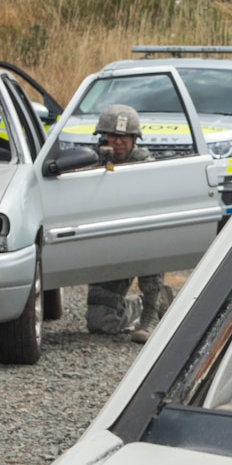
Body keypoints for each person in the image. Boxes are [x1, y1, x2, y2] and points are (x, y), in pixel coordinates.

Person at [78, 104, 172, 344]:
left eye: (124, 137)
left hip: (140, 240)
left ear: (134, 139)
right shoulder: (91, 162)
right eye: (112, 135)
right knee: (100, 323)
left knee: (153, 251)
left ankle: (149, 315)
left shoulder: (145, 163)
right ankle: (140, 306)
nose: (118, 142)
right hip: (109, 247)